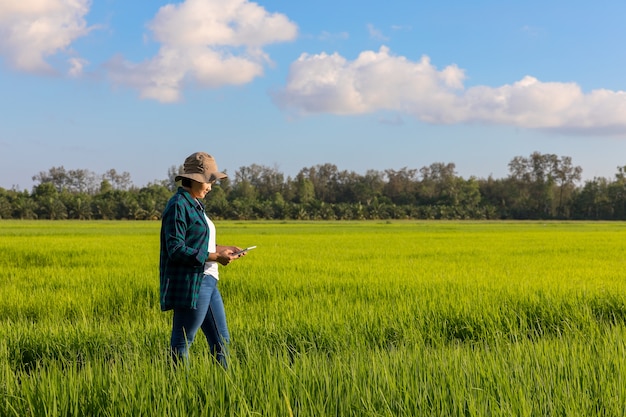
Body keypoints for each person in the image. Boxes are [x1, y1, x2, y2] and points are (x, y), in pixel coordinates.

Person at [159, 151, 244, 369]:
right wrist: (216, 257)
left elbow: (198, 243)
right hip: (192, 282)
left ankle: (225, 390)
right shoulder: (179, 205)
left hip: (207, 280)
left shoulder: (195, 204)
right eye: (209, 181)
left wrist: (224, 249)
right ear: (196, 179)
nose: (211, 186)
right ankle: (178, 394)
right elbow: (176, 249)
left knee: (221, 341)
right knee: (182, 342)